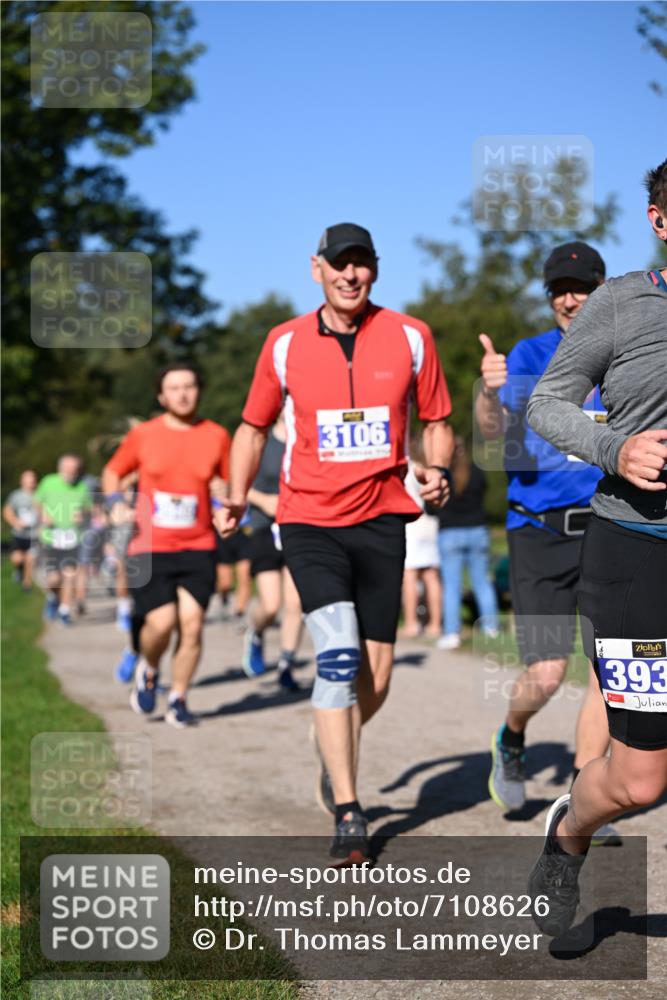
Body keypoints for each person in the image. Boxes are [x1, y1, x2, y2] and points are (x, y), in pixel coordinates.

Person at [219, 223, 453, 863]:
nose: (352, 276)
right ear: (316, 269)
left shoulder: (410, 336)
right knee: (340, 657)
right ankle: (349, 809)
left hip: (382, 518)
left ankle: (333, 747)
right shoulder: (284, 344)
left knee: (376, 677)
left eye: (363, 265)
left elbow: (436, 420)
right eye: (340, 265)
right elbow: (251, 427)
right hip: (308, 519)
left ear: (374, 271)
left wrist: (435, 469)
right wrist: (238, 497)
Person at [525, 159, 667, 936]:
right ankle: (566, 833)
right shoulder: (618, 304)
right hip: (638, 552)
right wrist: (616, 450)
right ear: (658, 221)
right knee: (641, 779)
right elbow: (546, 406)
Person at [476, 241, 620, 844]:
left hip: (611, 527)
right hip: (538, 530)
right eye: (559, 288)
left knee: (604, 673)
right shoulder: (527, 358)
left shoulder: (624, 358)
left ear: (600, 291)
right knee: (546, 670)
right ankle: (511, 738)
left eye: (580, 287)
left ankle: (582, 797)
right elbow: (489, 442)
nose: (568, 298)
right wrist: (488, 394)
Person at [102, 365, 231, 728]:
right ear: (161, 396)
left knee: (192, 625)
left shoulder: (217, 435)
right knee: (162, 623)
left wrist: (225, 503)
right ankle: (150, 666)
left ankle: (179, 698)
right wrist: (115, 503)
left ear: (199, 391)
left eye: (189, 386)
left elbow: (228, 482)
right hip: (150, 544)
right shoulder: (144, 435)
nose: (183, 394)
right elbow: (113, 472)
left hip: (199, 543)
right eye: (174, 388)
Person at [242, 412, 304, 690]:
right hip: (264, 527)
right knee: (271, 604)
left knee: (296, 604)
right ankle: (255, 632)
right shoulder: (261, 440)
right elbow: (238, 483)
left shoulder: (308, 438)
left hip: (300, 527)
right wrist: (264, 500)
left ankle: (286, 665)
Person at [435, 436, 499, 650]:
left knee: (451, 586)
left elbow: (431, 507)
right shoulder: (477, 471)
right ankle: (491, 628)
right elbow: (484, 495)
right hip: (477, 530)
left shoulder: (442, 476)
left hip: (450, 533)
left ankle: (452, 633)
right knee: (481, 582)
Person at [34, 455, 92, 625]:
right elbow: (37, 502)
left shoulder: (83, 486)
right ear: (60, 469)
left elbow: (89, 508)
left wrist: (83, 515)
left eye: (74, 470)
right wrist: (43, 514)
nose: (71, 474)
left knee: (70, 575)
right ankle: (53, 596)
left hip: (73, 538)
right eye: (67, 470)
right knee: (54, 579)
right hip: (51, 537)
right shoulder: (48, 482)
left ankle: (64, 611)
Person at [398, 454, 442, 639]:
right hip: (430, 523)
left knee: (409, 576)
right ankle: (435, 624)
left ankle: (411, 622)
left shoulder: (409, 465)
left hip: (412, 524)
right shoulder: (431, 467)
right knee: (431, 575)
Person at [3, 469, 39, 590]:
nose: (30, 482)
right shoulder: (16, 495)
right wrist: (15, 522)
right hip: (19, 534)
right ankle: (20, 570)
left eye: (32, 480)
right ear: (22, 481)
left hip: (34, 535)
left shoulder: (40, 494)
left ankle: (26, 584)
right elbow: (7, 511)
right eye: (27, 480)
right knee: (17, 559)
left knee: (30, 559)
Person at [214, 529, 252, 627]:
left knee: (245, 577)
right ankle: (224, 600)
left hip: (244, 536)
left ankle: (239, 614)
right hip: (223, 535)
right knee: (225, 584)